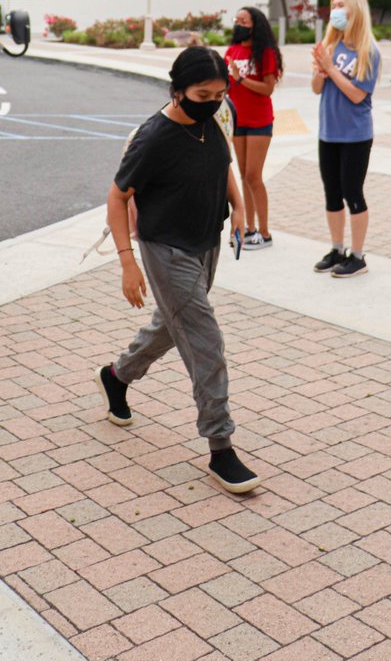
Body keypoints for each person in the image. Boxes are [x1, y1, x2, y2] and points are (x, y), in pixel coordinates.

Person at [96, 46, 261, 494]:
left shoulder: (213, 118)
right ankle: (221, 445)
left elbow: (224, 164)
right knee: (206, 341)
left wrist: (240, 207)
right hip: (166, 248)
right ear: (177, 89)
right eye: (201, 94)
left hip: (207, 240)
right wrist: (128, 264)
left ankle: (117, 377)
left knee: (174, 325)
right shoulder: (155, 138)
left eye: (219, 94)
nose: (211, 102)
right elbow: (117, 196)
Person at [311, 0, 381, 277]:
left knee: (353, 193)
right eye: (334, 5)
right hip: (328, 132)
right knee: (332, 193)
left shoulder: (368, 52)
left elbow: (356, 95)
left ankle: (358, 256)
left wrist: (331, 68)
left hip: (355, 135)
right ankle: (337, 248)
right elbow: (316, 89)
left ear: (355, 10)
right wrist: (320, 71)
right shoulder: (330, 45)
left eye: (341, 6)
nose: (336, 11)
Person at [224, 6, 283, 250]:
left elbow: (267, 88)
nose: (239, 24)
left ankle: (265, 233)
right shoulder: (232, 50)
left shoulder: (266, 53)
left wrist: (240, 78)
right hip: (237, 121)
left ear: (255, 25)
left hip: (259, 121)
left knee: (253, 176)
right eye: (237, 20)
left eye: (244, 21)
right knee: (243, 174)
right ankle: (248, 229)